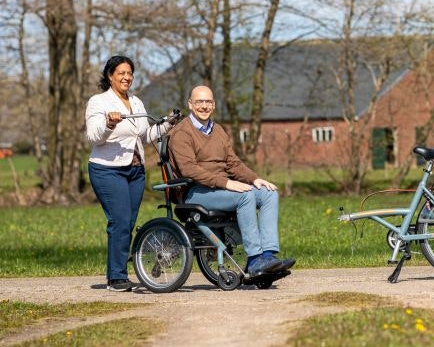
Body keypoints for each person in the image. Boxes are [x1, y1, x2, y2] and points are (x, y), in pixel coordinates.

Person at [168, 85, 295, 278]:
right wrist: (226, 183)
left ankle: (268, 257)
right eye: (200, 102)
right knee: (245, 195)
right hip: (195, 191)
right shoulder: (181, 133)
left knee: (269, 193)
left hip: (219, 189)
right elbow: (189, 169)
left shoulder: (218, 130)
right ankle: (254, 260)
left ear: (214, 105)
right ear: (190, 104)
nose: (204, 106)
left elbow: (233, 163)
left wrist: (255, 179)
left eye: (208, 102)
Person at [85, 55, 175, 292]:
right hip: (107, 170)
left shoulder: (136, 102)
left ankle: (120, 268)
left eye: (129, 73)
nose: (126, 77)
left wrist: (167, 124)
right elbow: (94, 136)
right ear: (110, 76)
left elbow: (145, 136)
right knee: (121, 221)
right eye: (121, 73)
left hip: (135, 170)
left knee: (128, 222)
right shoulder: (99, 102)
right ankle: (116, 278)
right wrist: (109, 124)